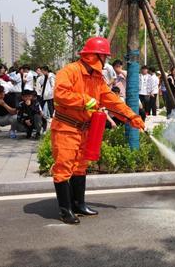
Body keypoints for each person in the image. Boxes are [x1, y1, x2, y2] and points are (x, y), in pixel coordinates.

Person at [51, 36, 145, 225]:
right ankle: (65, 210)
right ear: (95, 56)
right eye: (105, 57)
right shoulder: (69, 71)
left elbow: (112, 100)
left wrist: (132, 117)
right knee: (64, 167)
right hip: (66, 127)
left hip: (85, 129)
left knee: (80, 166)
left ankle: (78, 204)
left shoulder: (97, 79)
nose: (106, 62)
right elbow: (60, 94)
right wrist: (86, 101)